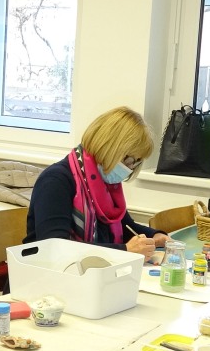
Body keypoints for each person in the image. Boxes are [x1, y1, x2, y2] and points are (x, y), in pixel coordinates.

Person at [25, 106, 169, 257]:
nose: (130, 168)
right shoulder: (55, 181)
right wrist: (125, 250)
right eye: (128, 159)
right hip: (44, 268)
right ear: (109, 148)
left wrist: (155, 236)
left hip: (92, 268)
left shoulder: (104, 182)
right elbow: (55, 247)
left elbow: (126, 226)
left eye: (136, 162)